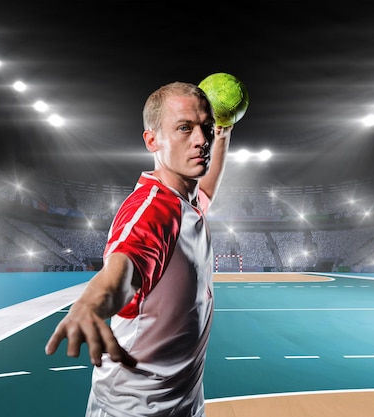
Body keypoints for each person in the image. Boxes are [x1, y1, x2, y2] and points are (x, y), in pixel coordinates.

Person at [45, 81, 233, 417]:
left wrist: (224, 133)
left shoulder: (185, 203)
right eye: (184, 128)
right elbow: (122, 269)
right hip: (134, 409)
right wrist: (89, 306)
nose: (201, 139)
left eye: (206, 128)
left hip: (183, 404)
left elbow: (204, 192)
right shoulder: (152, 211)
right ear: (152, 140)